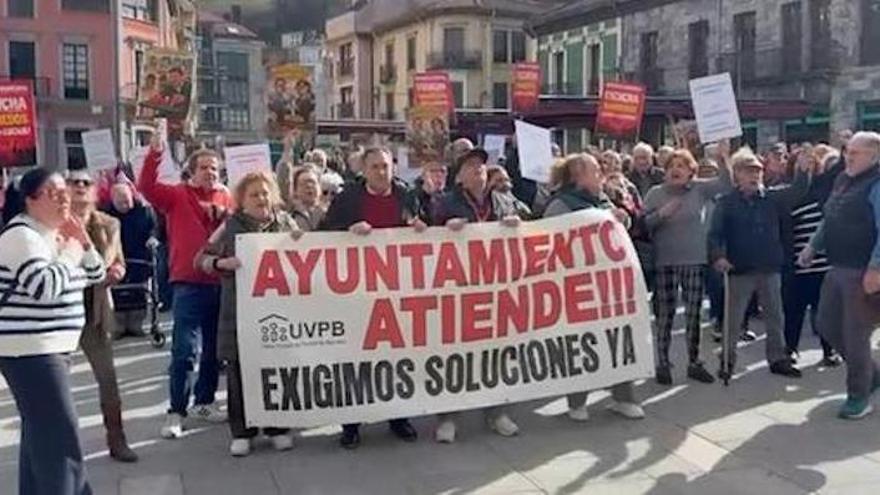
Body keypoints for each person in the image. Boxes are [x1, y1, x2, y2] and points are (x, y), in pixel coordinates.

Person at [0, 168, 106, 495]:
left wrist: (82, 242)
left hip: (52, 348)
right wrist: (71, 253)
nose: (64, 198)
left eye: (65, 191)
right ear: (30, 200)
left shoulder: (52, 233)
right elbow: (44, 286)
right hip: (30, 349)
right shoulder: (20, 236)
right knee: (60, 438)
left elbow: (97, 273)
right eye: (53, 192)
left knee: (40, 438)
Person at [320, 147, 422, 449]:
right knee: (355, 359)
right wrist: (347, 231)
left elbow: (421, 225)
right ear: (364, 170)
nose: (381, 171)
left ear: (393, 168)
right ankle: (351, 424)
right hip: (357, 293)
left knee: (397, 358)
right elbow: (324, 232)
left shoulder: (406, 195)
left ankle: (398, 417)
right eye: (375, 166)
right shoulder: (348, 197)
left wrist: (420, 227)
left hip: (397, 290)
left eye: (386, 166)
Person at [196, 172, 301, 455]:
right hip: (240, 311)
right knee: (240, 372)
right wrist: (221, 263)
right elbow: (200, 260)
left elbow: (307, 249)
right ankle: (242, 432)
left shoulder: (285, 222)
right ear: (241, 200)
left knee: (279, 371)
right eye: (254, 194)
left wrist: (299, 241)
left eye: (265, 193)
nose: (261, 199)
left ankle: (277, 427)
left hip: (279, 311)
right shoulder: (228, 226)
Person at [430, 148, 530, 443]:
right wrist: (443, 229)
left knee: (498, 353)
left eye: (482, 165)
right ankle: (448, 417)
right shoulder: (445, 203)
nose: (479, 169)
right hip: (459, 290)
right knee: (455, 355)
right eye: (471, 165)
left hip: (497, 289)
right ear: (459, 175)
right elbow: (423, 240)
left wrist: (517, 224)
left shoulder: (503, 200)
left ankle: (497, 412)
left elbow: (531, 221)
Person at [139, 133, 233, 439]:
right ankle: (176, 410)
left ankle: (204, 402)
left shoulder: (227, 198)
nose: (210, 173)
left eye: (215, 169)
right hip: (188, 284)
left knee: (213, 353)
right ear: (191, 171)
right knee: (184, 351)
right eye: (204, 167)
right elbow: (147, 188)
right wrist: (154, 154)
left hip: (220, 283)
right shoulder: (176, 196)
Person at [542, 153, 646, 422]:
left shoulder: (601, 200)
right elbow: (550, 242)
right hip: (578, 287)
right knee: (582, 344)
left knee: (617, 340)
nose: (601, 174)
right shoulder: (560, 205)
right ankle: (577, 402)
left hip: (609, 286)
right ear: (578, 177)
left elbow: (621, 231)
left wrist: (622, 218)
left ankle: (624, 397)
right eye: (594, 170)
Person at [708, 147, 809, 379]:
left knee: (775, 315)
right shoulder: (726, 202)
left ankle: (778, 359)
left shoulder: (772, 197)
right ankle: (727, 360)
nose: (755, 175)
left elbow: (798, 191)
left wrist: (803, 170)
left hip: (769, 266)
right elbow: (715, 234)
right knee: (733, 319)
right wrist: (719, 256)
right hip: (739, 268)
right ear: (737, 175)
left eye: (758, 170)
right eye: (748, 171)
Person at [800, 131, 880, 419]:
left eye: (856, 153)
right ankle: (871, 372)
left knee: (855, 333)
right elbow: (830, 216)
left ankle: (858, 396)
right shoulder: (843, 179)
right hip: (837, 266)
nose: (848, 156)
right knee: (825, 324)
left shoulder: (877, 183)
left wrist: (875, 268)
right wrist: (812, 245)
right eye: (847, 151)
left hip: (862, 270)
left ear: (874, 156)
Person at [642, 147, 732, 385]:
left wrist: (723, 158)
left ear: (691, 171)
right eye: (672, 165)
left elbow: (726, 184)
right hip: (665, 262)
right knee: (665, 316)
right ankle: (662, 362)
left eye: (681, 165)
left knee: (693, 314)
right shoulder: (655, 193)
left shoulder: (699, 189)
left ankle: (694, 362)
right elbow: (643, 225)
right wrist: (660, 214)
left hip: (693, 260)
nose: (675, 170)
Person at [67, 170, 138, 463]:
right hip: (61, 311)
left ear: (96, 192)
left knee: (107, 378)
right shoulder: (53, 223)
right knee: (57, 383)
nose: (81, 187)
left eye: (87, 183)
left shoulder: (109, 224)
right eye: (74, 182)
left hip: (95, 310)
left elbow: (118, 260)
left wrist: (117, 272)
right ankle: (62, 444)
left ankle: (117, 438)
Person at [781, 147, 842, 367]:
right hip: (797, 265)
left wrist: (845, 149)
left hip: (824, 265)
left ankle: (829, 350)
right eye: (801, 161)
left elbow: (840, 171)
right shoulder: (786, 193)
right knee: (794, 311)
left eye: (811, 162)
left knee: (825, 311)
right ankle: (790, 349)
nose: (807, 165)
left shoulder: (825, 190)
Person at [105, 182, 156, 338]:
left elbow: (154, 228)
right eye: (120, 202)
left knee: (138, 291)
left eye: (127, 200)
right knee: (117, 292)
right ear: (113, 200)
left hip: (139, 255)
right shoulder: (106, 214)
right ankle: (118, 326)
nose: (125, 205)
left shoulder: (144, 211)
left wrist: (153, 238)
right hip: (116, 256)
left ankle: (136, 324)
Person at [288, 166, 325, 231]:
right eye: (304, 183)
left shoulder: (328, 214)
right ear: (295, 190)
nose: (309, 186)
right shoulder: (290, 217)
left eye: (313, 182)